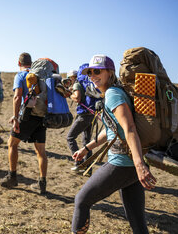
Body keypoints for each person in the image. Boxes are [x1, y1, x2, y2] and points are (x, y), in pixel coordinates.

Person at [71, 55, 156, 234]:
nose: (93, 75)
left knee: (81, 200)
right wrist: (86, 148)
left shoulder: (113, 94)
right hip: (131, 165)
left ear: (110, 72)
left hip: (123, 163)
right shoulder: (113, 92)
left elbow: (129, 128)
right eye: (90, 72)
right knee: (137, 222)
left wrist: (140, 165)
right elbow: (110, 130)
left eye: (97, 71)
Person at [0, 52, 48, 195]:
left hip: (26, 116)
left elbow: (17, 96)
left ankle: (12, 177)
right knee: (41, 151)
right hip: (41, 116)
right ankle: (42, 183)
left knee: (12, 144)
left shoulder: (20, 76)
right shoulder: (39, 76)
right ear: (31, 63)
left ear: (18, 63)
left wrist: (15, 117)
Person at [67, 63, 99, 171]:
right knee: (87, 142)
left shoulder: (77, 83)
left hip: (83, 115)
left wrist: (70, 94)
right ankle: (88, 168)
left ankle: (78, 162)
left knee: (70, 137)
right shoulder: (89, 81)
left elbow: (77, 98)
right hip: (93, 115)